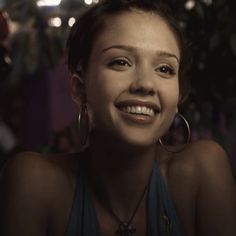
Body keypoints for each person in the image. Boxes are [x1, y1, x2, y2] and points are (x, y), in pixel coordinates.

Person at [1, 0, 236, 235]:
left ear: (178, 96)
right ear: (79, 87)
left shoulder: (202, 171)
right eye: (121, 62)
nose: (145, 84)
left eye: (165, 69)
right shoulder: (33, 183)